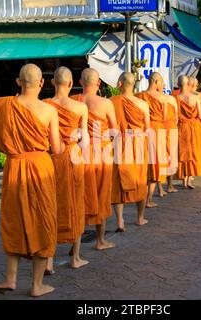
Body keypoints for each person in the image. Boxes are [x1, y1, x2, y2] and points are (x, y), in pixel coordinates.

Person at [0, 64, 63, 298]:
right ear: (41, 83)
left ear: (18, 82)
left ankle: (11, 279)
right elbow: (57, 149)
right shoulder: (49, 111)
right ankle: (37, 285)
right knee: (44, 220)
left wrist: (15, 149)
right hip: (41, 167)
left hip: (14, 166)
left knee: (13, 219)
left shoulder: (4, 107)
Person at [43, 67, 90, 269]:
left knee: (51, 204)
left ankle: (49, 261)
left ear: (52, 82)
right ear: (71, 84)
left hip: (50, 159)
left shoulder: (44, 105)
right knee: (76, 203)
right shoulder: (80, 108)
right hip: (72, 157)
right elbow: (85, 140)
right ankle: (75, 258)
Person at [71, 68, 118, 251]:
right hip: (101, 151)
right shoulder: (105, 103)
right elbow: (114, 129)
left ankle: (75, 241)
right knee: (102, 193)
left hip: (80, 151)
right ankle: (100, 240)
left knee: (81, 194)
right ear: (98, 83)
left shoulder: (74, 101)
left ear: (80, 82)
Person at [109, 72, 150, 232]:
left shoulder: (111, 102)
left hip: (118, 143)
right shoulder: (142, 104)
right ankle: (140, 218)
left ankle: (120, 221)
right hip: (138, 144)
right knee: (140, 180)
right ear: (133, 85)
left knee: (118, 182)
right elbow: (147, 129)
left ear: (120, 84)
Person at [136, 72, 169, 207]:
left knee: (146, 163)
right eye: (161, 82)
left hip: (144, 131)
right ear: (155, 82)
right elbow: (165, 117)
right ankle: (148, 199)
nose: (161, 85)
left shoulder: (139, 97)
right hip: (158, 130)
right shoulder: (163, 98)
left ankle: (143, 197)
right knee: (156, 165)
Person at [176, 75, 201, 188]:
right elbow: (200, 115)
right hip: (195, 127)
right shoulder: (196, 98)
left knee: (183, 152)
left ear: (178, 84)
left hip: (181, 128)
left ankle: (184, 179)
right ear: (188, 84)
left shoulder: (176, 98)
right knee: (193, 152)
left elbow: (175, 117)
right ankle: (189, 179)